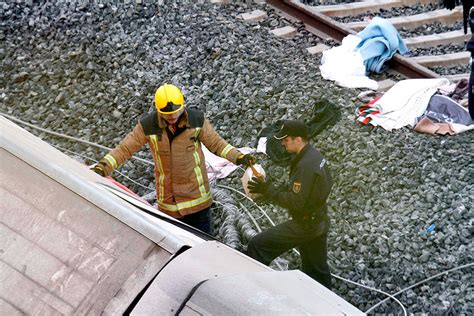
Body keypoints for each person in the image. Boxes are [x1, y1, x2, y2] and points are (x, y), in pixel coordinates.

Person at [93, 83, 255, 234]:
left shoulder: (196, 120)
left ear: (182, 105)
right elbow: (125, 149)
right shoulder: (149, 126)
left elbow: (218, 145)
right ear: (158, 111)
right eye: (166, 115)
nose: (172, 118)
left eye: (175, 113)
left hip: (198, 203)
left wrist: (239, 157)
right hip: (169, 206)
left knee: (203, 248)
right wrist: (103, 167)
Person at [246, 120, 333, 289]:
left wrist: (267, 189)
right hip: (320, 219)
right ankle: (327, 301)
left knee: (257, 246)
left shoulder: (305, 166)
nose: (282, 143)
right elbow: (313, 188)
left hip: (306, 224)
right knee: (316, 269)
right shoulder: (314, 156)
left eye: (286, 140)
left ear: (298, 139)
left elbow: (296, 201)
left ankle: (254, 289)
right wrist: (269, 188)